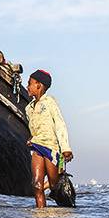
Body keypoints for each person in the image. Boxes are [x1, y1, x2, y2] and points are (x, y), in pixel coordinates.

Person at [25, 69, 73, 208]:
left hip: (51, 148)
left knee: (53, 185)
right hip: (37, 146)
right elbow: (34, 128)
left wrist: (66, 148)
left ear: (39, 85)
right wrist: (31, 138)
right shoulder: (29, 108)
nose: (27, 86)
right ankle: (41, 217)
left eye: (30, 84)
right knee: (36, 185)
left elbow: (60, 124)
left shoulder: (50, 102)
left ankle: (62, 207)